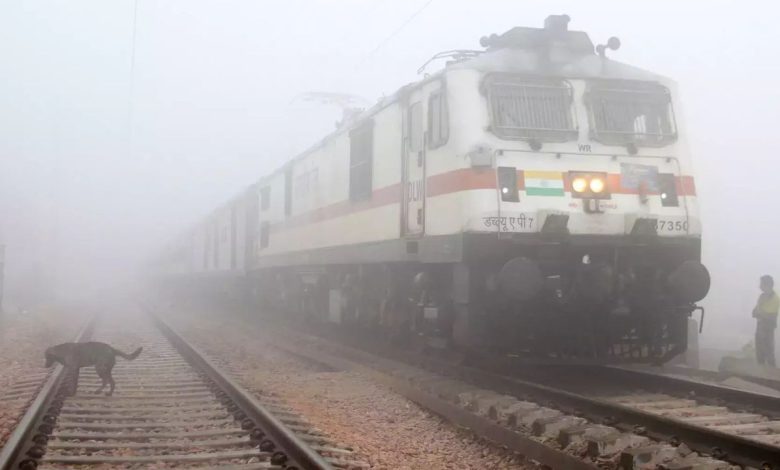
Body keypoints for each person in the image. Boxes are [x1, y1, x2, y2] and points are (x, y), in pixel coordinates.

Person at [753, 275, 780, 367]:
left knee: (769, 352)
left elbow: (770, 316)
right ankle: (761, 372)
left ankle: (771, 373)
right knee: (759, 353)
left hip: (768, 329)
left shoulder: (775, 298)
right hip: (760, 327)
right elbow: (754, 313)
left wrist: (760, 312)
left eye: (761, 284)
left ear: (768, 285)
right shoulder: (762, 296)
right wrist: (760, 312)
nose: (759, 286)